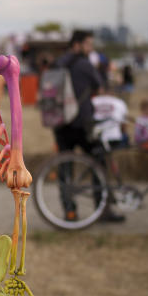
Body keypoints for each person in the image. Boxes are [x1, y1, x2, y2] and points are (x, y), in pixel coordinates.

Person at [51, 30, 124, 222]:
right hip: (82, 123)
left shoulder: (58, 63)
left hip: (60, 123)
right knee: (97, 162)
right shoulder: (84, 64)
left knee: (64, 166)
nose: (90, 48)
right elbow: (100, 88)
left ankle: (70, 211)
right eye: (88, 44)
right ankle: (103, 210)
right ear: (77, 45)